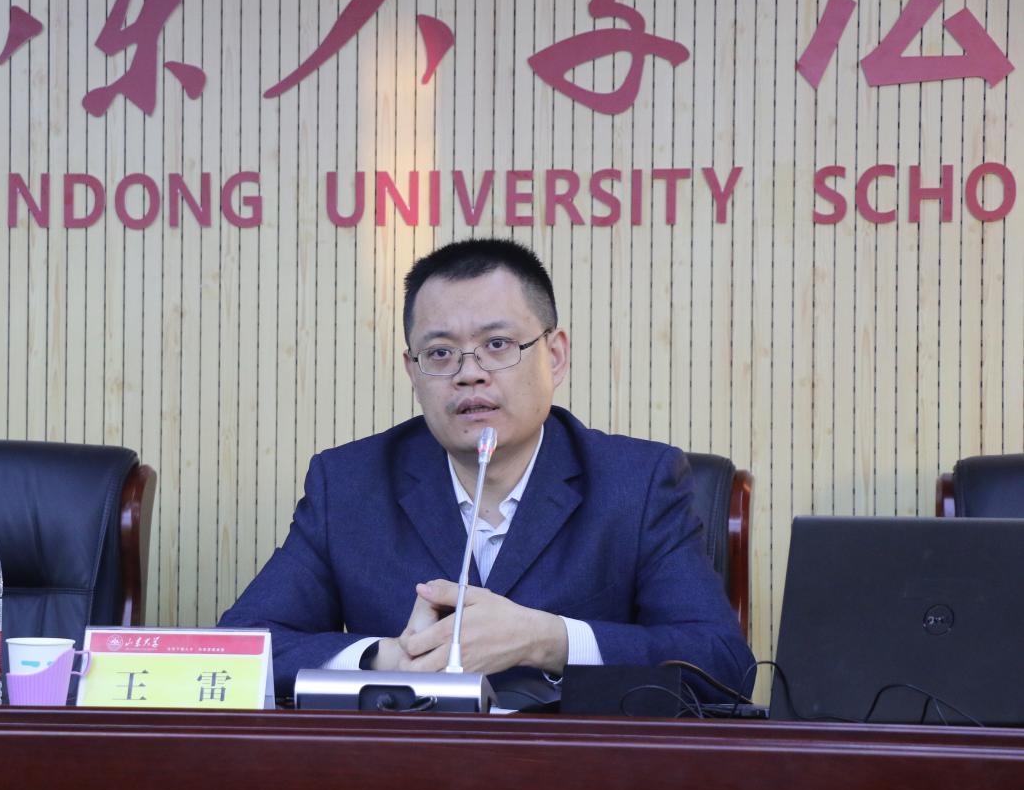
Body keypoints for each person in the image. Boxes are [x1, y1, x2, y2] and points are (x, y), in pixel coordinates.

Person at [219, 238, 754, 703]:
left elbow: (722, 663)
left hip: (576, 776)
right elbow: (240, 649)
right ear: (413, 371)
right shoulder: (350, 484)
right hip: (404, 776)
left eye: (497, 345)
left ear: (555, 356)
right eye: (440, 353)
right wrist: (387, 658)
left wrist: (547, 640)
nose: (468, 374)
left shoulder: (637, 482)